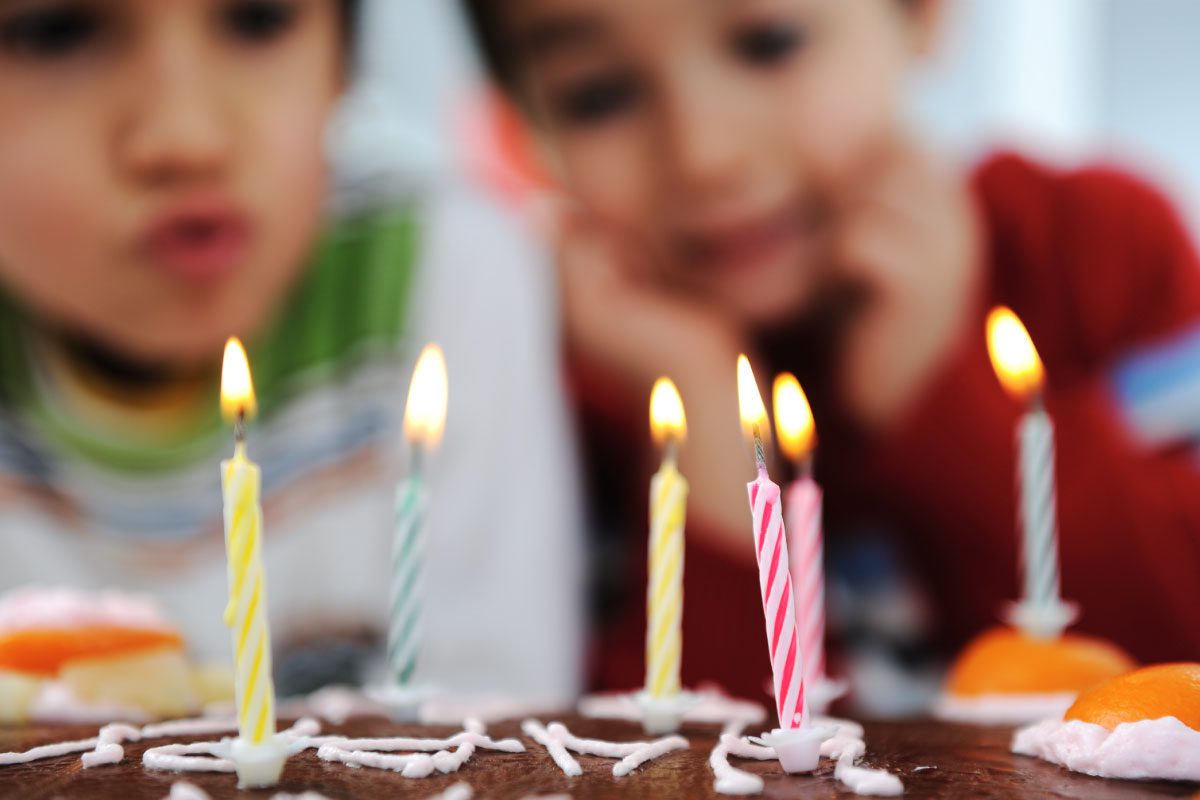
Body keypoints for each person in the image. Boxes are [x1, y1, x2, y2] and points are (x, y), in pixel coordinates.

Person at [459, 0, 1200, 702]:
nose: (703, 155)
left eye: (770, 41)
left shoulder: (1095, 255)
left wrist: (934, 385)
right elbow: (667, 767)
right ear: (523, 125)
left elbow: (1175, 675)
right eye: (597, 95)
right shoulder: (555, 379)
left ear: (921, 12)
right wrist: (708, 430)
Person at [0, 0, 582, 703]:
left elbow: (493, 711)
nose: (188, 136)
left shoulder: (441, 270)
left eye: (258, 20)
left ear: (346, 67)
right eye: (57, 32)